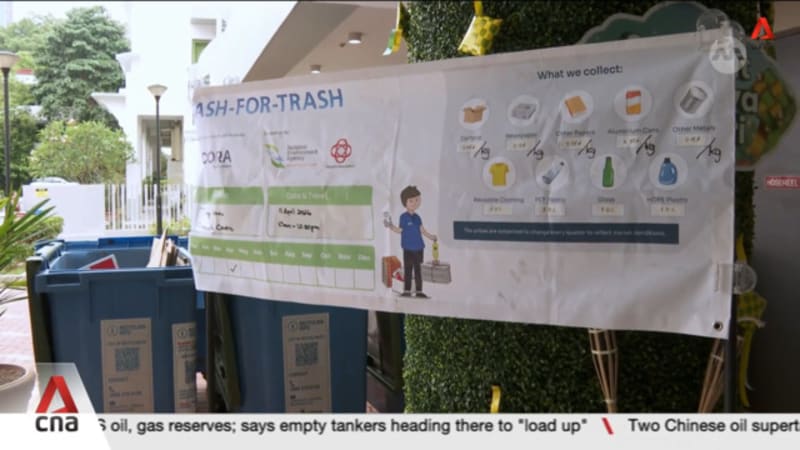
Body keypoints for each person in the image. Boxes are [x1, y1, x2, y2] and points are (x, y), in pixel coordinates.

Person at [384, 185, 437, 298]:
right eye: (411, 201)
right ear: (405, 203)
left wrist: (431, 237)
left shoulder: (418, 217)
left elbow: (423, 230)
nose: (415, 203)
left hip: (419, 248)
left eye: (417, 200)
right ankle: (407, 291)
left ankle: (419, 291)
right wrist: (390, 226)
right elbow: (400, 230)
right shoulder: (403, 217)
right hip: (407, 248)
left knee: (418, 271)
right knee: (408, 270)